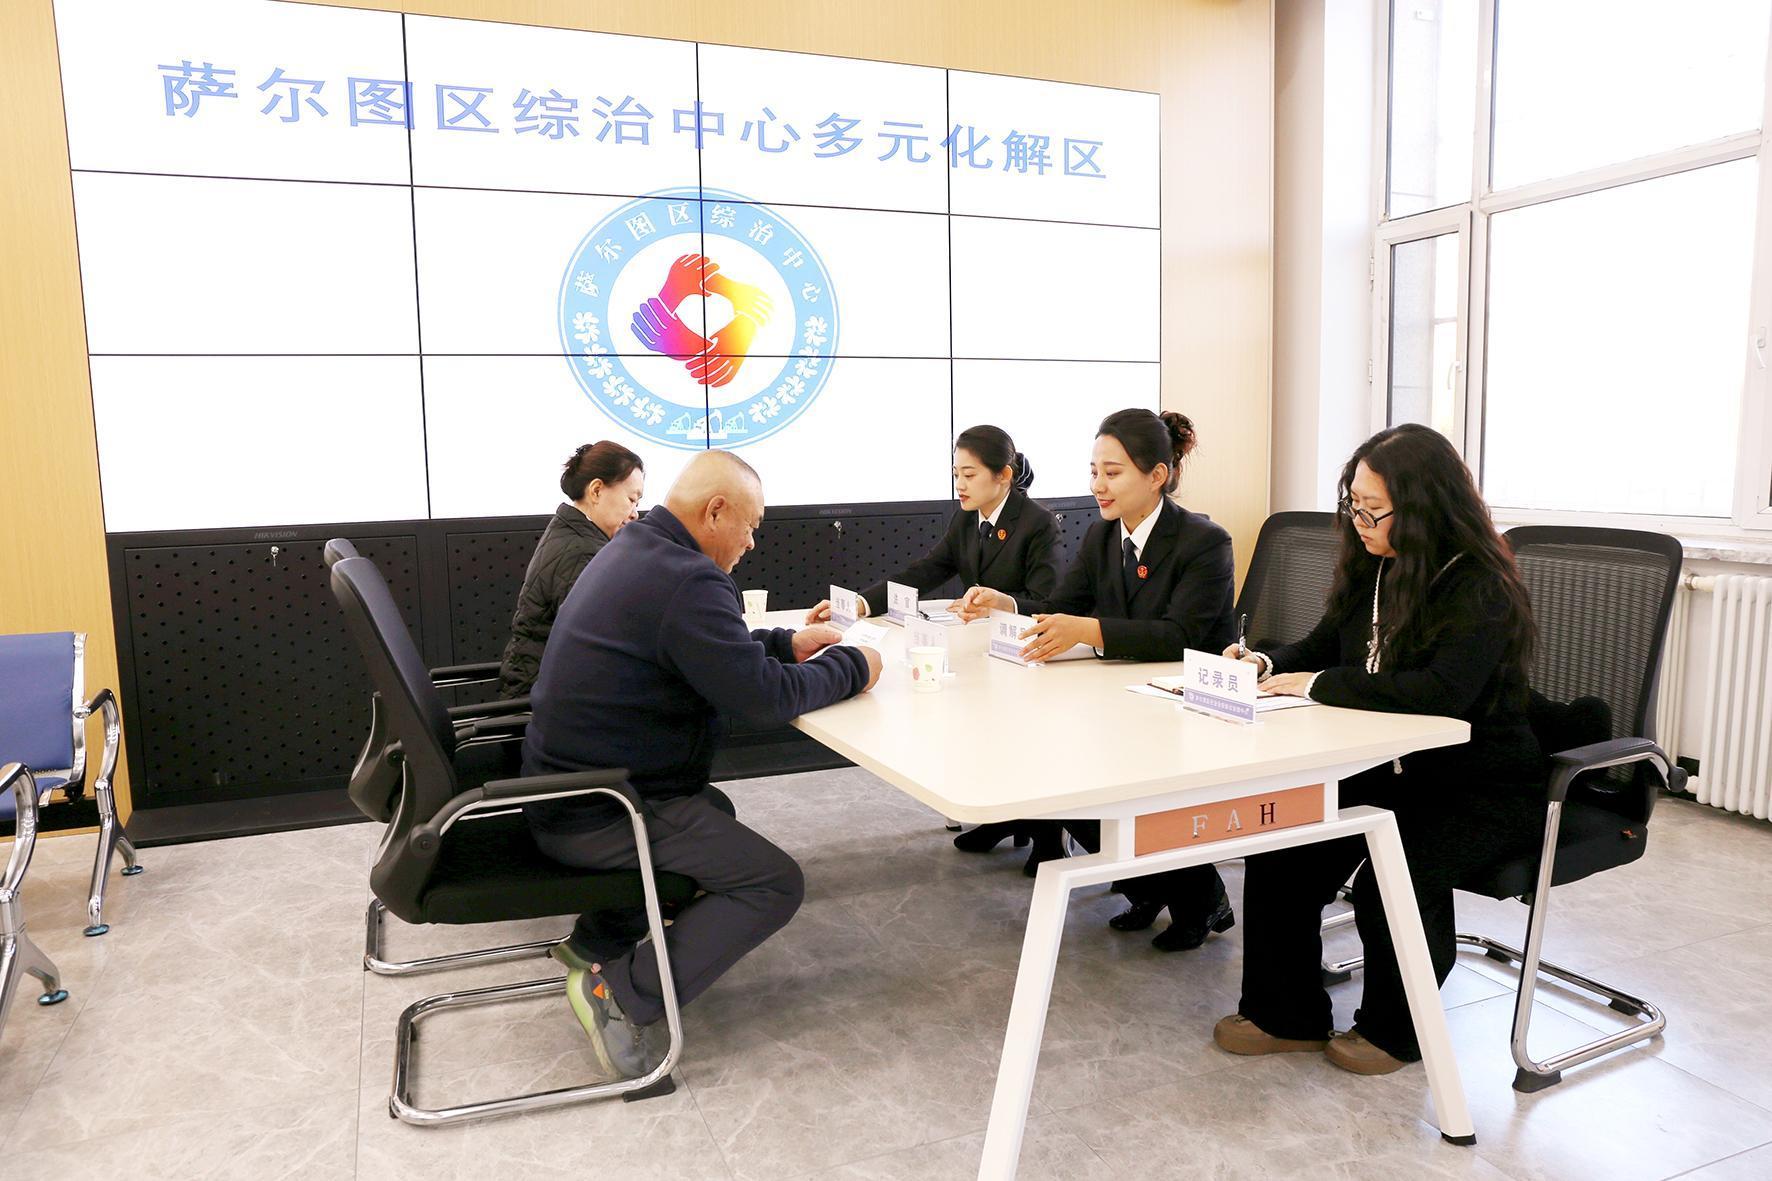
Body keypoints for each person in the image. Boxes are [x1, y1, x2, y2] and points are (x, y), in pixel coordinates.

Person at [521, 450, 885, 1079]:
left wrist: (783, 643)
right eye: (750, 526)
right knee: (774, 882)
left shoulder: (638, 547)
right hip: (605, 809)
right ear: (715, 511)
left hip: (567, 788)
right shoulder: (689, 577)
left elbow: (695, 646)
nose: (751, 543)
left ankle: (598, 941)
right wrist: (855, 666)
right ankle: (619, 995)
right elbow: (762, 699)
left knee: (715, 810)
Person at [1213, 423, 1545, 1075]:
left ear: (1424, 508)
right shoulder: (1376, 564)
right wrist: (1264, 661)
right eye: (1353, 505)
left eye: (1373, 509)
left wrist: (1318, 684)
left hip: (1478, 783)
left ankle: (1398, 1029)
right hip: (1388, 768)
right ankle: (1287, 1015)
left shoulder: (1479, 584)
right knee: (1283, 845)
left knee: (1392, 874)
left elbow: (1442, 692)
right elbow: (1323, 645)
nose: (1359, 522)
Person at [955, 408, 1239, 950]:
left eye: (1112, 472)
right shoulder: (1103, 536)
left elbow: (1181, 635)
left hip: (1185, 705)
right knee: (1063, 783)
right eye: (1093, 472)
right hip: (1120, 696)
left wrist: (1089, 630)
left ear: (1157, 476)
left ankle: (1202, 899)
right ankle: (1147, 887)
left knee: (1104, 783)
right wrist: (1006, 604)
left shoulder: (1204, 541)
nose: (1097, 486)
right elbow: (1063, 606)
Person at [805, 424, 1066, 873]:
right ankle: (1001, 817)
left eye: (969, 474)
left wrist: (1003, 603)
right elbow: (926, 570)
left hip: (1027, 656)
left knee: (1022, 739)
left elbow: (1048, 602)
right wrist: (864, 603)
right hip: (983, 654)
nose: (959, 484)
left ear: (1003, 475)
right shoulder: (967, 517)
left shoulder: (1037, 522)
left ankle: (1048, 837)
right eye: (956, 473)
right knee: (980, 734)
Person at [497, 441, 646, 699]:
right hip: (543, 704)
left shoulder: (570, 532)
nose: (635, 514)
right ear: (596, 491)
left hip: (543, 690)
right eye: (631, 500)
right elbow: (600, 650)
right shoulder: (582, 554)